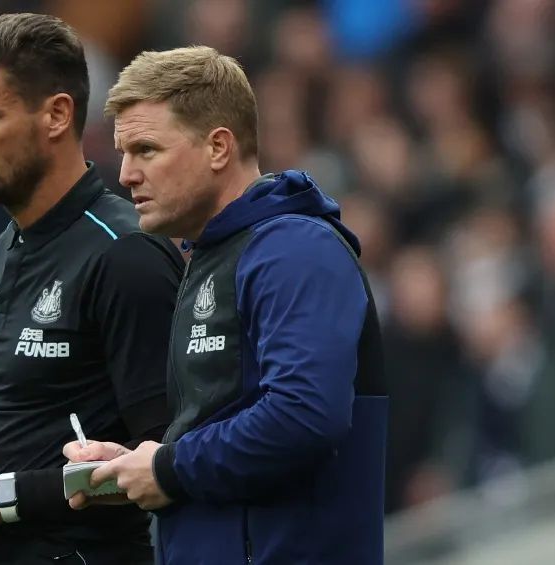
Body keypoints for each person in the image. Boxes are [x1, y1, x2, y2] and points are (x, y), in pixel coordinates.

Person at [64, 46, 388, 565]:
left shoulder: (294, 250)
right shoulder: (211, 257)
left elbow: (305, 415)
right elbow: (221, 439)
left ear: (218, 147)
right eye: (124, 152)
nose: (125, 174)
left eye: (146, 150)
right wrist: (135, 467)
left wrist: (169, 468)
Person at [0, 13, 184, 565]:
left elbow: (166, 464)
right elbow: (23, 433)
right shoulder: (5, 246)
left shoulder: (124, 253)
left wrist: (2, 500)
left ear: (56, 114)